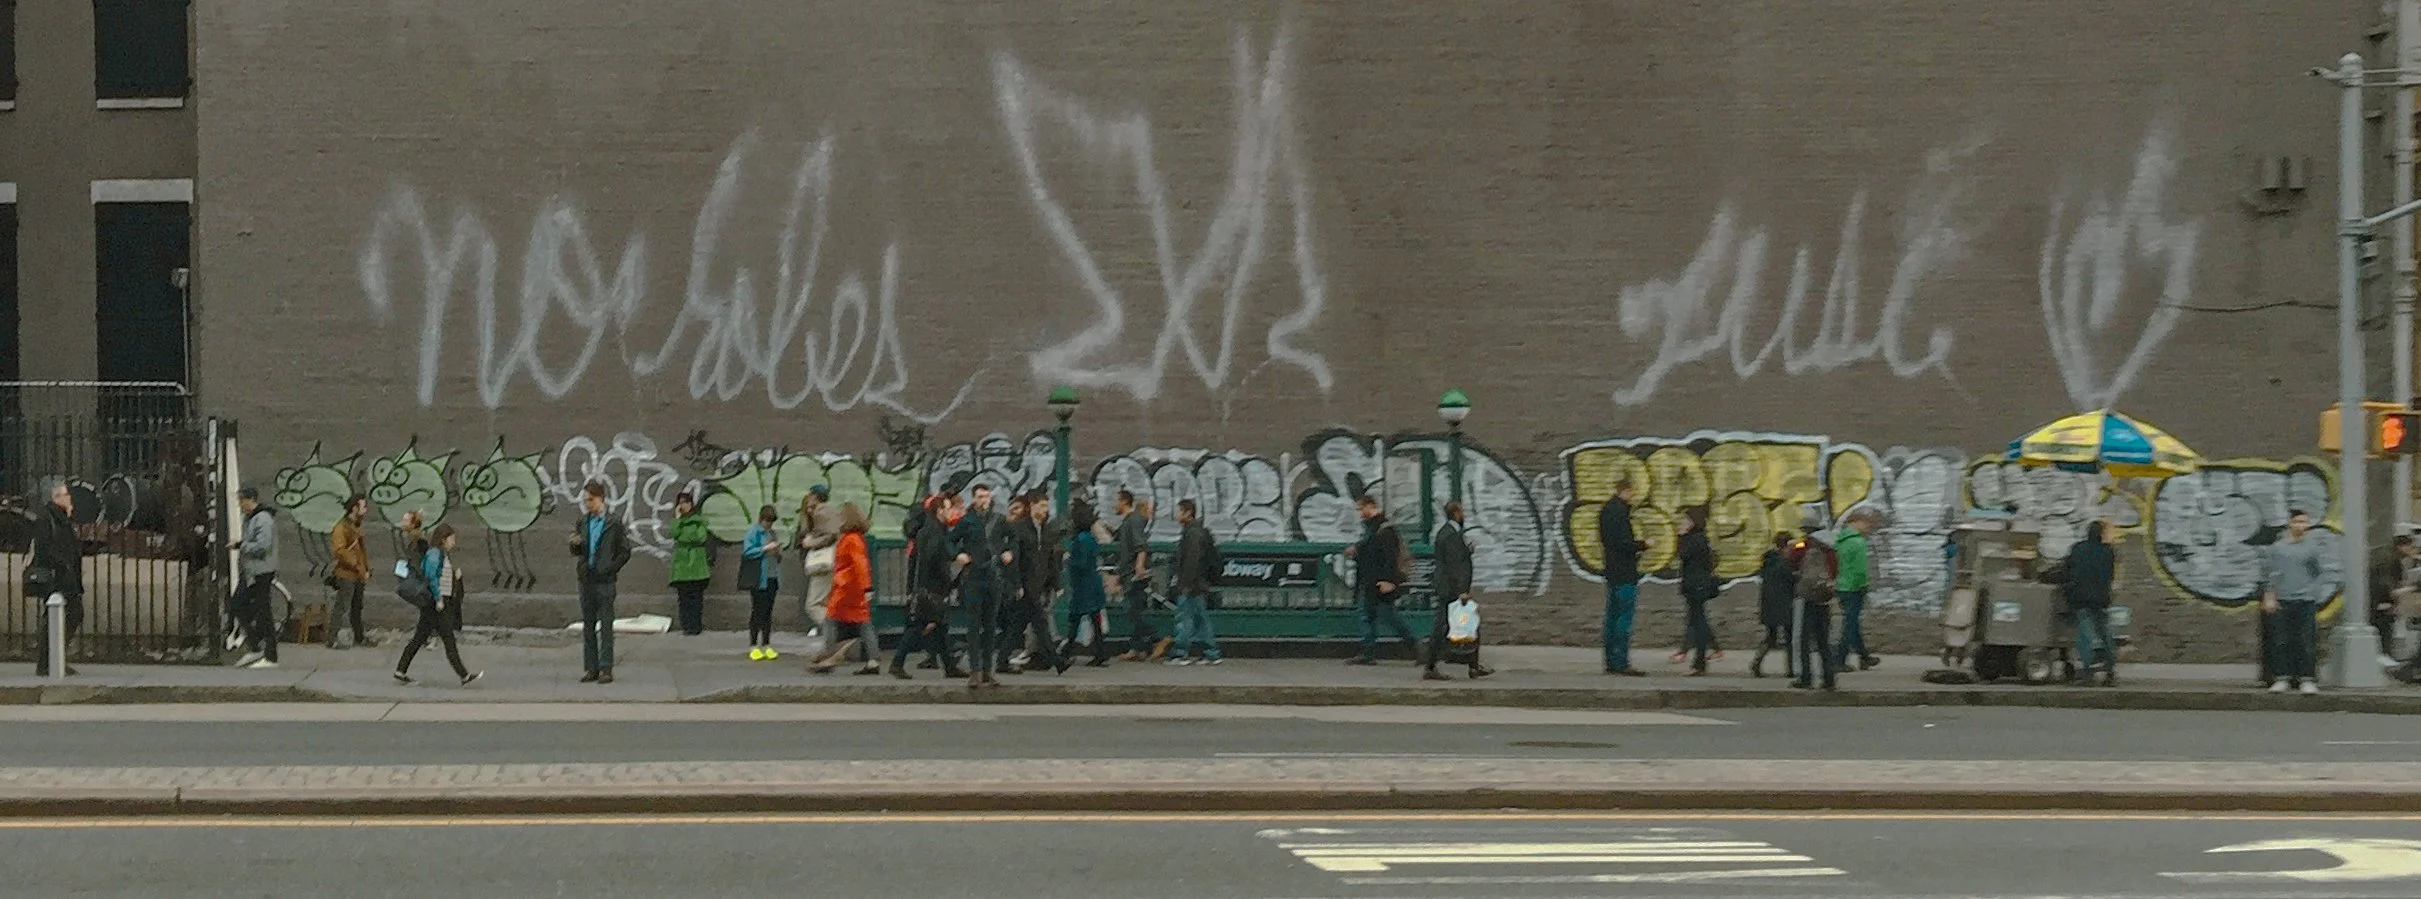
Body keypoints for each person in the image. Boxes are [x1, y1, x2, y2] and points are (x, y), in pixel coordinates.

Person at [891, 493, 969, 680]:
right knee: (920, 626)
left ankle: (949, 666)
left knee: (939, 628)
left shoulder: (930, 530)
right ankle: (897, 663)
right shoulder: (935, 532)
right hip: (932, 587)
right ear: (940, 511)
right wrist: (951, 565)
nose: (951, 512)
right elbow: (933, 558)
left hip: (927, 586)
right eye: (948, 508)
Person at [394, 524, 481, 686]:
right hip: (436, 603)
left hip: (436, 602)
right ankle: (464, 675)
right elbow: (432, 578)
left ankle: (401, 670)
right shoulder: (435, 554)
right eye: (451, 539)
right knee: (448, 638)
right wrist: (439, 598)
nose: (453, 543)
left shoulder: (440, 554)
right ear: (443, 539)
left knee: (420, 637)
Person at [2262, 509, 2336, 695]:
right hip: (2282, 600)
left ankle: (2307, 678)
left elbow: (2319, 572)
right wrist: (2269, 596)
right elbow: (2271, 574)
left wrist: (2314, 593)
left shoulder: (2313, 548)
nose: (2301, 526)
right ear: (2290, 524)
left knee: (2306, 641)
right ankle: (2282, 678)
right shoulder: (2278, 548)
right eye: (2297, 522)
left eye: (2304, 522)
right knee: (2281, 640)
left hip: (2306, 600)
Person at [569, 481, 632, 684]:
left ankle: (606, 668)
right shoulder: (582, 522)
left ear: (601, 499)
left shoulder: (613, 523)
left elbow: (625, 551)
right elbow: (577, 551)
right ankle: (591, 668)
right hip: (586, 578)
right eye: (585, 501)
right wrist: (575, 545)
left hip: (605, 580)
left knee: (606, 625)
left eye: (591, 500)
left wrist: (611, 568)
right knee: (588, 625)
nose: (588, 504)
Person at [1345, 495, 1419, 665]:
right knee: (1370, 615)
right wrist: (1357, 550)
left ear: (1370, 506)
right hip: (1372, 581)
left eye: (1361, 508)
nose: (1360, 513)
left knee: (1387, 616)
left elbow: (1389, 558)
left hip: (1378, 582)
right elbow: (1373, 551)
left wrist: (1389, 581)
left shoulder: (1384, 529)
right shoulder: (1377, 528)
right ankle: (1368, 652)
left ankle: (1416, 646)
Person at [1422, 501, 1492, 681]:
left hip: (1448, 587)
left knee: (1458, 625)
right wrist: (1462, 590)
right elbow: (1455, 564)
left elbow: (1456, 558)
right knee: (1454, 626)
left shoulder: (1449, 533)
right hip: (1451, 589)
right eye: (1462, 511)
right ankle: (1432, 666)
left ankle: (1472, 665)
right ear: (1455, 513)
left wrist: (1467, 551)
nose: (1464, 514)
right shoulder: (1451, 535)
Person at [809, 503, 880, 675]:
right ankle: (873, 660)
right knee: (863, 622)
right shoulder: (857, 538)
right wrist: (866, 587)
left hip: (846, 588)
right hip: (855, 587)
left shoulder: (850, 539)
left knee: (831, 619)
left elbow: (859, 564)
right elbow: (861, 565)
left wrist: (866, 587)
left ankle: (828, 655)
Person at [1002, 494, 1069, 675]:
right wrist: (1017, 583)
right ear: (1032, 506)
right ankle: (1057, 661)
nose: (1045, 510)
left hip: (1038, 584)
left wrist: (1056, 584)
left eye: (1047, 506)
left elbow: (1050, 559)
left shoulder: (1046, 530)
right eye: (1042, 505)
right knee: (1041, 624)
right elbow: (1015, 557)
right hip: (1026, 584)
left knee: (1018, 625)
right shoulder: (1020, 528)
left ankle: (1002, 659)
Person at [953, 484, 1012, 689]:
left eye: (986, 496)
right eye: (980, 497)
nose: (984, 500)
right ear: (974, 498)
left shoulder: (999, 520)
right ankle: (975, 670)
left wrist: (1008, 551)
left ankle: (987, 670)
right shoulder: (967, 521)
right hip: (973, 577)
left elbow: (1013, 538)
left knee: (990, 626)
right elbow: (950, 541)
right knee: (973, 625)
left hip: (993, 577)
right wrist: (959, 555)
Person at [27, 478, 83, 677]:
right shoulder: (47, 518)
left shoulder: (62, 517)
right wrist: (63, 565)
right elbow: (45, 547)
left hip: (67, 576)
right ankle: (48, 661)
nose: (69, 498)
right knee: (60, 616)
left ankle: (53, 659)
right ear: (54, 498)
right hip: (57, 576)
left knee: (68, 615)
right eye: (64, 494)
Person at [1599, 479, 1649, 676]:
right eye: (1632, 492)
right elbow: (1624, 543)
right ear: (1626, 491)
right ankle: (1621, 662)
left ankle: (1611, 660)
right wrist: (1643, 544)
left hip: (1611, 570)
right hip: (1625, 572)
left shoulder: (1605, 511)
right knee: (1623, 618)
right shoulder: (1620, 512)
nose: (1633, 497)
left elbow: (1609, 542)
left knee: (1611, 617)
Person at [1111, 491, 1168, 661]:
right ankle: (1137, 648)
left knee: (1132, 611)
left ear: (1124, 502)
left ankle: (1157, 638)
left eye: (1116, 501)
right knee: (1135, 609)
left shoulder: (1133, 521)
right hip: (1128, 572)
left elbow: (1140, 546)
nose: (1114, 505)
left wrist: (1139, 565)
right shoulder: (1130, 521)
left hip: (1134, 574)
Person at [1165, 500, 1223, 665]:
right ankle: (1211, 653)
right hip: (1199, 583)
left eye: (1179, 511)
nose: (1177, 515)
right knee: (1200, 619)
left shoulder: (1192, 534)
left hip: (1191, 584)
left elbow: (1192, 560)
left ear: (1188, 512)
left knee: (1184, 618)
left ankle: (1180, 653)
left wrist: (1185, 583)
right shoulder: (1197, 531)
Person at [1059, 500, 1116, 667]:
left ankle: (1067, 650)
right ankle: (1099, 651)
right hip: (1091, 582)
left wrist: (1069, 560)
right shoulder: (1089, 537)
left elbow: (1081, 562)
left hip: (1083, 584)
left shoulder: (1080, 539)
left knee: (1076, 617)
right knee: (1094, 618)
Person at [232, 486, 282, 670]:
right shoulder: (250, 518)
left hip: (261, 571)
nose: (240, 504)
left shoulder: (263, 519)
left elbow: (263, 545)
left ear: (251, 499)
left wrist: (241, 545)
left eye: (241, 500)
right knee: (237, 604)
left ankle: (270, 655)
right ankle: (255, 644)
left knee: (263, 611)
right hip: (251, 572)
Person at [2065, 519, 2119, 687]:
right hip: (2101, 599)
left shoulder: (2078, 549)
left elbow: (2067, 570)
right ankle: (2109, 670)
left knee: (2085, 634)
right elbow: (2110, 574)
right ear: (2101, 535)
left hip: (2081, 598)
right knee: (2105, 632)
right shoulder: (2108, 552)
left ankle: (2088, 671)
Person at [1790, 512, 1840, 692]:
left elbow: (1792, 559)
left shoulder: (1804, 544)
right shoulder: (1830, 546)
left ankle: (1806, 677)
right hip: (1824, 597)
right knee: (1823, 641)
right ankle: (1829, 679)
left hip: (1808, 598)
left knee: (1803, 639)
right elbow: (1835, 569)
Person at [1832, 508, 1880, 672]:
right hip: (1854, 587)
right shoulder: (1858, 542)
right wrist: (1863, 586)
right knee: (1850, 624)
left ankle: (1864, 656)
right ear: (1856, 522)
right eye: (1866, 524)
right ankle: (1839, 660)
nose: (1868, 528)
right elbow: (1860, 570)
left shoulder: (1840, 540)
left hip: (1842, 586)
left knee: (1852, 622)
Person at [1676, 507, 1719, 676]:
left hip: (1695, 586)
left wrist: (1681, 537)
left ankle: (1700, 663)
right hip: (1698, 585)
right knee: (1697, 620)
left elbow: (1683, 555)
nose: (1682, 523)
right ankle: (1700, 660)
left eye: (1685, 520)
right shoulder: (1701, 539)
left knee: (1699, 622)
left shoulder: (1694, 540)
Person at [796, 485, 841, 640]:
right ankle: (833, 637)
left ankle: (835, 631)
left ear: (814, 496)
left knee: (813, 605)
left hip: (822, 563)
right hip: (830, 562)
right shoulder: (827, 511)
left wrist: (812, 543)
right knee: (824, 602)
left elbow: (831, 535)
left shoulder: (820, 513)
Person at [327, 494, 371, 649]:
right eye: (363, 507)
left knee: (357, 607)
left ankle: (359, 637)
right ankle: (332, 639)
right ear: (354, 508)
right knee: (342, 607)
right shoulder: (341, 527)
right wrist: (357, 566)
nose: (365, 510)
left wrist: (366, 569)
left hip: (358, 574)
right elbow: (340, 551)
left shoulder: (356, 526)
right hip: (346, 574)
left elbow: (362, 551)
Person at [1750, 532, 1796, 679]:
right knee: (1789, 637)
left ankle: (1757, 662)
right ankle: (1791, 669)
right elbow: (1790, 581)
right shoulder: (1785, 562)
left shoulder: (1768, 560)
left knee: (1771, 636)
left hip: (1769, 603)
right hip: (1785, 602)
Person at [741, 504, 784, 660]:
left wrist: (777, 552)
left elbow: (778, 558)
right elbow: (747, 551)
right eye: (767, 521)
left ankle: (766, 643)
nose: (769, 525)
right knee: (757, 610)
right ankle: (753, 644)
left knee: (768, 612)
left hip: (772, 576)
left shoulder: (772, 533)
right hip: (759, 577)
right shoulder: (754, 532)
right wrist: (764, 549)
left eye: (771, 522)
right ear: (761, 519)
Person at [667, 491, 711, 637]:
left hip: (696, 565)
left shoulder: (699, 521)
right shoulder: (677, 521)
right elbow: (674, 534)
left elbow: (700, 537)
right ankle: (686, 626)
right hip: (681, 566)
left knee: (696, 598)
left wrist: (683, 537)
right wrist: (677, 519)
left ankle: (695, 626)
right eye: (681, 503)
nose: (684, 505)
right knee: (683, 599)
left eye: (686, 502)